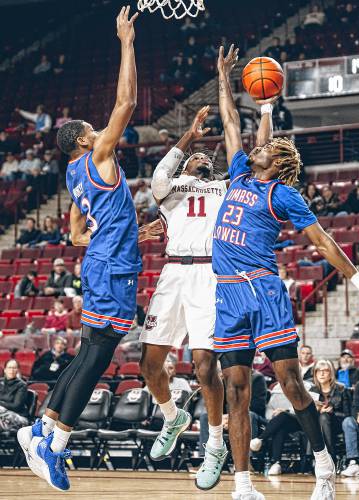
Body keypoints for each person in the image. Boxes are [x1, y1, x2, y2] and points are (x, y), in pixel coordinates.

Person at [214, 43, 359, 500]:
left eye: (268, 150)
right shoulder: (239, 174)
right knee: (234, 391)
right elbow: (234, 124)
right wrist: (225, 78)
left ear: (278, 165)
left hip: (263, 292)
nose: (259, 149)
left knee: (292, 383)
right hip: (226, 294)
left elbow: (323, 241)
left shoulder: (282, 195)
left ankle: (324, 464)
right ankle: (242, 485)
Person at [17, 9, 163, 493]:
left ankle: (41, 427)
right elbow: (127, 99)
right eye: (91, 128)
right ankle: (53, 446)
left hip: (99, 259)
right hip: (112, 267)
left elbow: (80, 233)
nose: (99, 129)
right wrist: (127, 40)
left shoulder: (73, 175)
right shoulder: (99, 156)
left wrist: (130, 234)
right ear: (84, 138)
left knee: (87, 352)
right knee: (99, 357)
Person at [139, 106, 229, 491]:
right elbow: (160, 174)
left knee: (206, 367)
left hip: (208, 274)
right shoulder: (169, 189)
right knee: (149, 365)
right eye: (196, 156)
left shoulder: (223, 187)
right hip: (173, 273)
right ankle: (172, 417)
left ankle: (215, 444)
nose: (202, 158)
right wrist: (190, 136)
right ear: (184, 164)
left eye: (207, 157)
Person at [310, 360, 352, 461]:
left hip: (337, 423)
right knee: (319, 419)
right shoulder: (312, 390)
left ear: (331, 373)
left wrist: (332, 412)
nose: (322, 373)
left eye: (325, 370)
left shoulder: (341, 389)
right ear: (315, 374)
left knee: (324, 417)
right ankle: (321, 458)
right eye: (318, 371)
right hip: (320, 425)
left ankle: (329, 457)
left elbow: (348, 415)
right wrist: (318, 411)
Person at [0, 360, 29, 432]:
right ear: (5, 370)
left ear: (17, 370)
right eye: (9, 367)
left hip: (19, 416)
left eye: (14, 368)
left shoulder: (22, 385)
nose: (12, 370)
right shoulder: (0, 382)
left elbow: (16, 406)